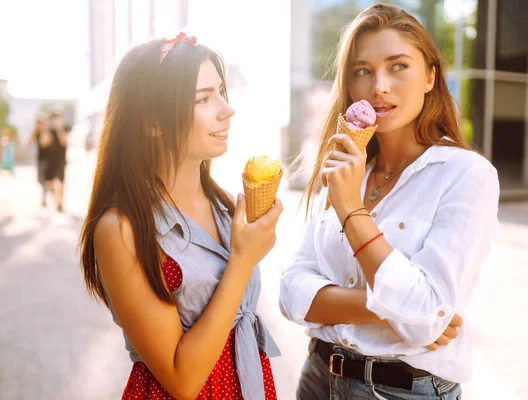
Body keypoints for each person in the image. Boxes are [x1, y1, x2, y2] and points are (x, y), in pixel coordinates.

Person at [279, 4, 499, 399]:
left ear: (430, 76)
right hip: (317, 377)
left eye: (398, 66)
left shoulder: (466, 175)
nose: (379, 85)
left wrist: (351, 209)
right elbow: (293, 292)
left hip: (401, 391)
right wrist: (395, 309)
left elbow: (426, 313)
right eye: (363, 71)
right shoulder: (345, 166)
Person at [79, 33, 283, 400]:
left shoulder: (224, 206)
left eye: (221, 92)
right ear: (152, 122)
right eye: (203, 98)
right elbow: (181, 380)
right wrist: (243, 259)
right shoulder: (122, 228)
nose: (226, 109)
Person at [27, 112, 54, 206]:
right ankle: (48, 190)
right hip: (39, 159)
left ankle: (44, 198)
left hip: (48, 160)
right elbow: (28, 144)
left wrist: (43, 130)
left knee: (44, 179)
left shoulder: (47, 132)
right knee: (39, 179)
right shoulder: (36, 132)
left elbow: (44, 143)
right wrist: (34, 132)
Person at [47, 105, 71, 211]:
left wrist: (59, 128)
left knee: (61, 182)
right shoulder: (49, 130)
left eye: (58, 117)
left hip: (61, 159)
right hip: (50, 159)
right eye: (54, 117)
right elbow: (45, 143)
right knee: (49, 181)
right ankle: (56, 198)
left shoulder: (65, 128)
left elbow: (63, 141)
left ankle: (61, 202)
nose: (56, 119)